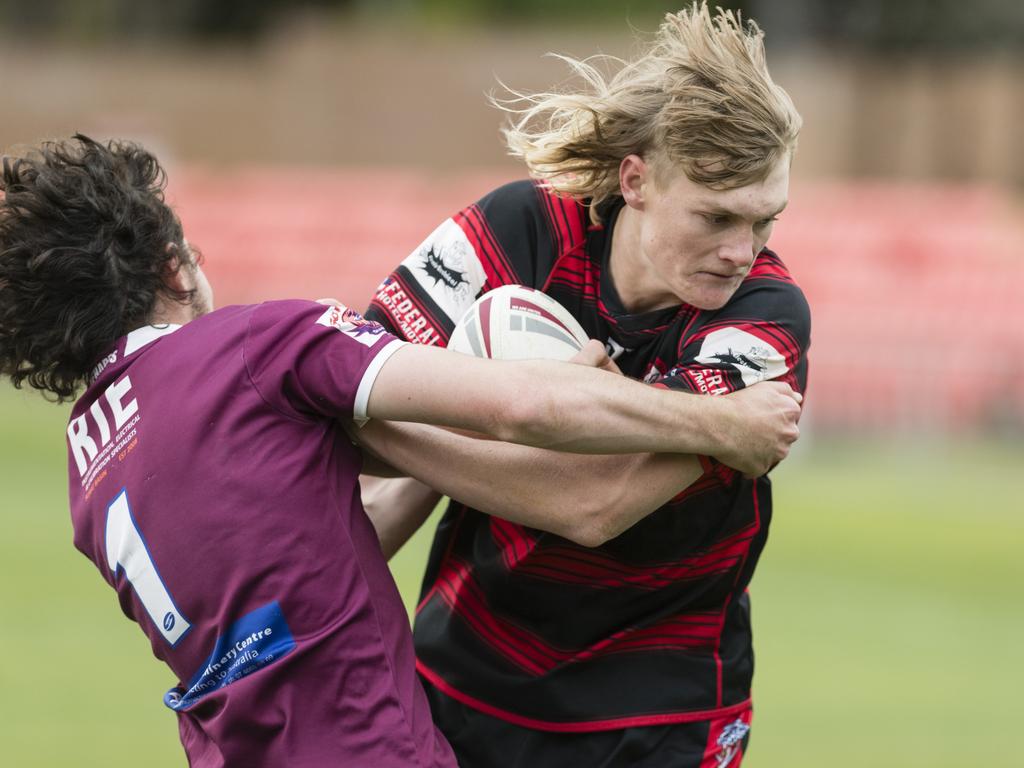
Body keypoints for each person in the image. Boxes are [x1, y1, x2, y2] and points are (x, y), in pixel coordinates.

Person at [0, 135, 801, 766]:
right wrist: (724, 425)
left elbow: (319, 555)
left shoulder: (90, 462)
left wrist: (413, 450)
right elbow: (524, 408)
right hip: (372, 742)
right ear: (175, 267)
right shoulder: (254, 344)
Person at [359, 3, 810, 766]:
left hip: (661, 710)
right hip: (462, 681)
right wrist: (714, 424)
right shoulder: (514, 232)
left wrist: (441, 415)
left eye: (765, 220)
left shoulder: (766, 317)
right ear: (635, 180)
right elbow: (357, 410)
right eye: (716, 218)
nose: (743, 251)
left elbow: (592, 504)